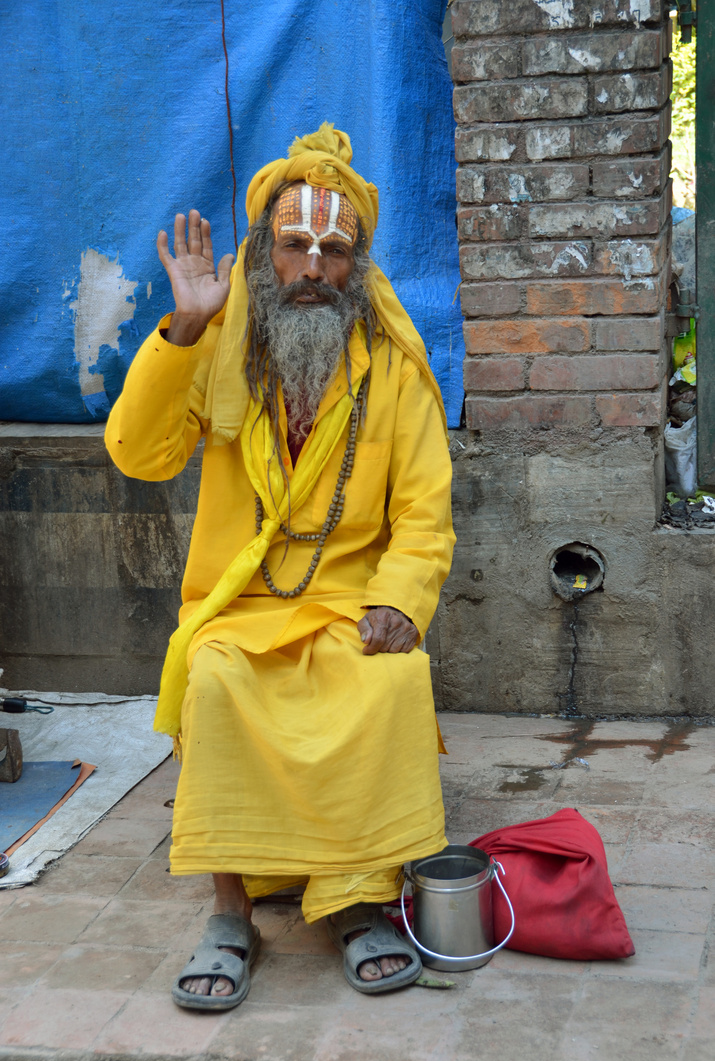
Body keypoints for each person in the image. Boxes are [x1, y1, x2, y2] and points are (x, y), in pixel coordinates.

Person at [106, 123, 455, 1009]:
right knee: (217, 678)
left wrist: (400, 602)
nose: (311, 268)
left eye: (333, 252)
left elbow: (423, 513)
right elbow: (137, 455)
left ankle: (358, 901)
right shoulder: (217, 339)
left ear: (358, 264)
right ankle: (231, 911)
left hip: (346, 603)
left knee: (387, 682)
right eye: (293, 245)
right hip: (238, 603)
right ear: (264, 252)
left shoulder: (395, 365)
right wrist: (182, 328)